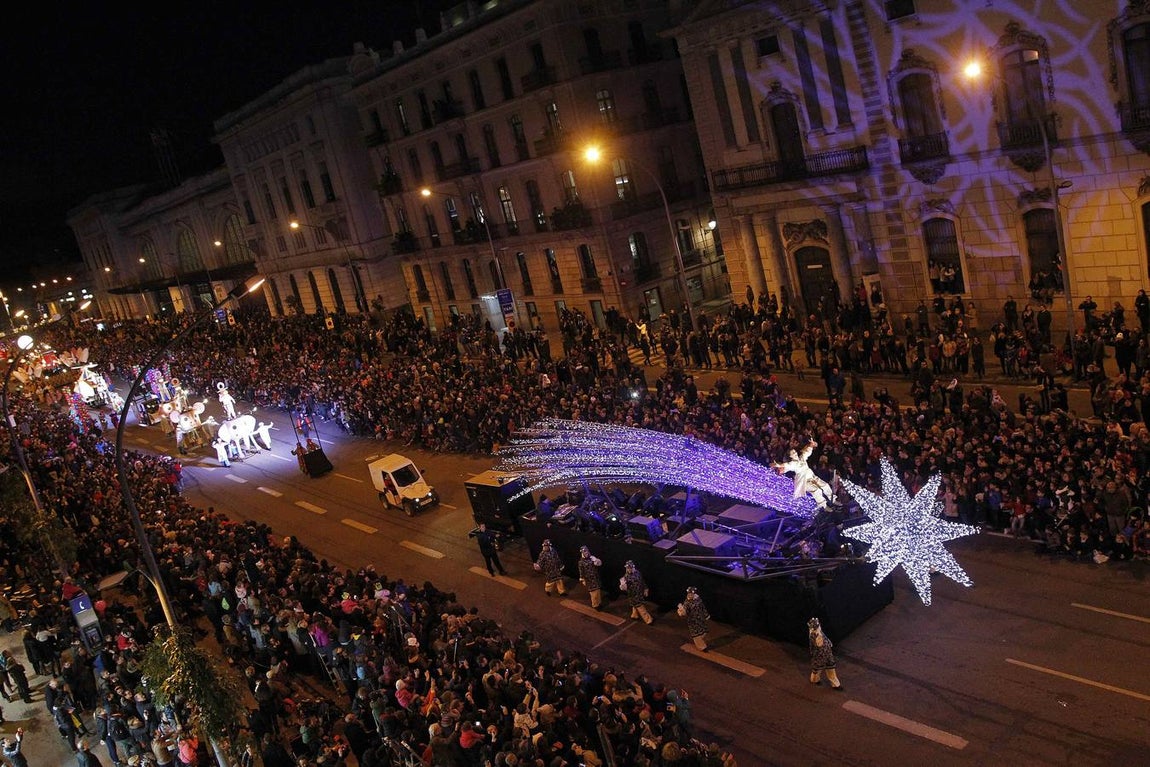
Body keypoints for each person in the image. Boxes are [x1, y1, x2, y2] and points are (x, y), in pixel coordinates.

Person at [807, 618, 842, 690]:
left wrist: (829, 643)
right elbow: (819, 645)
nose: (818, 627)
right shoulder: (813, 635)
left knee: (831, 667)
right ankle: (815, 680)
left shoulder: (819, 632)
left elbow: (825, 638)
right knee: (817, 669)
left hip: (827, 653)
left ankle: (835, 684)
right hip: (820, 656)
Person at [678, 587, 710, 651]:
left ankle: (700, 641)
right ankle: (702, 647)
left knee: (704, 632)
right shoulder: (687, 602)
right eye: (689, 593)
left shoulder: (698, 599)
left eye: (691, 593)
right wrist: (682, 611)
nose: (690, 595)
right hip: (692, 621)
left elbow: (702, 607)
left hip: (700, 619)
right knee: (696, 635)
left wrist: (706, 615)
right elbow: (685, 612)